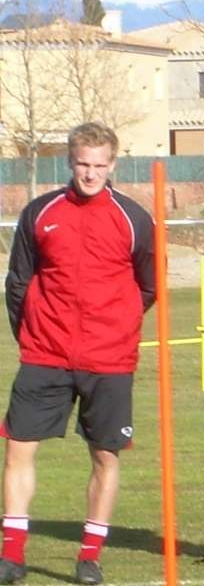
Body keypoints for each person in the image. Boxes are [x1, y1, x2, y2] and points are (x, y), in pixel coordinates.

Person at [0, 122, 155, 585]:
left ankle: (90, 555)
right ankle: (12, 555)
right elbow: (18, 283)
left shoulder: (134, 219)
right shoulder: (40, 212)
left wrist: (117, 326)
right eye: (83, 164)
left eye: (99, 165)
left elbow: (147, 286)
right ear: (70, 162)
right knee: (18, 450)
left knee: (106, 456)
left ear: (113, 164)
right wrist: (32, 334)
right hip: (45, 354)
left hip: (108, 360)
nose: (90, 174)